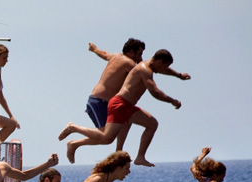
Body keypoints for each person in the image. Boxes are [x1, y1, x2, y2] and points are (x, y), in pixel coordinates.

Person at [59, 49, 190, 167]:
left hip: (128, 106)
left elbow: (164, 70)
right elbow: (154, 92)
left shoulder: (149, 66)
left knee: (152, 124)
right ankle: (73, 128)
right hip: (119, 104)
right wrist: (172, 101)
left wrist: (178, 75)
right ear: (159, 62)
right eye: (165, 66)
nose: (164, 69)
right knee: (107, 138)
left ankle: (139, 157)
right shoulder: (144, 69)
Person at [81, 39, 146, 151]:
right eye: (139, 54)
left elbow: (105, 54)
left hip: (108, 103)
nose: (140, 57)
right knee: (105, 137)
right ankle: (73, 136)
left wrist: (94, 49)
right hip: (99, 102)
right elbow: (143, 73)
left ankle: (118, 151)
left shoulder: (116, 56)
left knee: (127, 118)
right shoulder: (129, 63)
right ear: (131, 52)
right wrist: (141, 63)